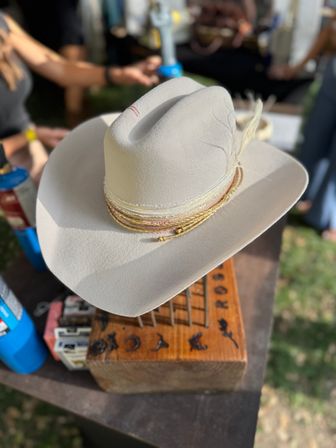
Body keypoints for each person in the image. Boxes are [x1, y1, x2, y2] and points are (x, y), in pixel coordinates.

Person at [0, 12, 161, 182]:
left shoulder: (3, 23)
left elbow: (60, 68)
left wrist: (118, 74)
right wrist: (30, 136)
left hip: (27, 143)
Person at [270, 17, 336, 241]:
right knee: (315, 140)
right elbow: (330, 30)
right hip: (333, 76)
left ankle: (325, 216)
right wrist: (298, 67)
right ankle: (303, 194)